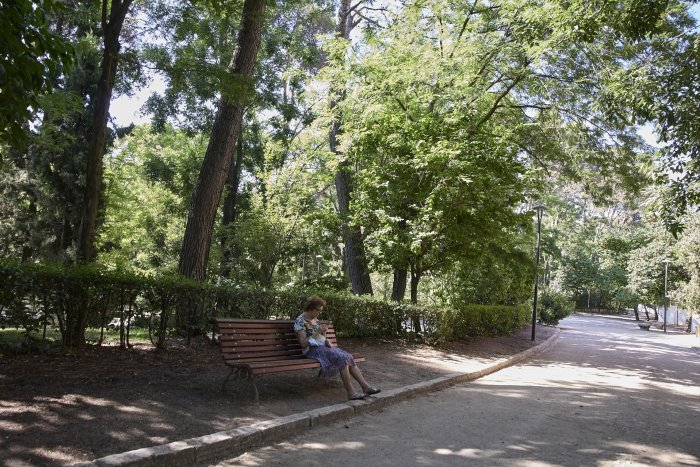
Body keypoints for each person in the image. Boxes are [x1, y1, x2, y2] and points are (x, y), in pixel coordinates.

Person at [294, 295, 381, 401]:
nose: (319, 313)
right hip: (312, 350)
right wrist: (317, 332)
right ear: (310, 307)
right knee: (341, 358)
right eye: (318, 310)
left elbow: (320, 338)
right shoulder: (300, 321)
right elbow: (303, 343)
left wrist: (325, 338)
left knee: (347, 356)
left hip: (323, 348)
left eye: (321, 311)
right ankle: (351, 392)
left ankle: (366, 387)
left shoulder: (315, 320)